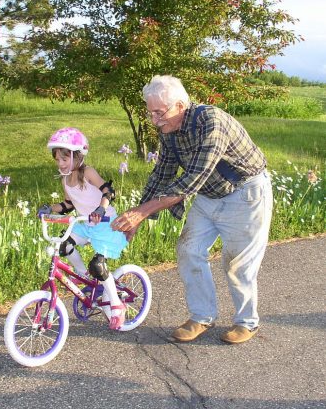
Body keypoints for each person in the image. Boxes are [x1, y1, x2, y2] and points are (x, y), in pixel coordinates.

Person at [111, 75, 273, 343]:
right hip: (209, 195)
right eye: (150, 113)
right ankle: (202, 317)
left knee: (237, 264)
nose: (154, 120)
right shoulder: (168, 131)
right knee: (189, 249)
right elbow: (162, 174)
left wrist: (143, 212)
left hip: (245, 193)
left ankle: (247, 322)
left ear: (180, 105)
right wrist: (139, 215)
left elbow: (192, 179)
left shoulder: (212, 122)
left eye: (159, 113)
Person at [38, 127, 128, 330]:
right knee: (64, 246)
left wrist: (100, 209)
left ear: (77, 156)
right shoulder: (65, 180)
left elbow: (108, 191)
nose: (60, 164)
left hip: (105, 223)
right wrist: (49, 208)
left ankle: (116, 304)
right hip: (85, 225)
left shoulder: (87, 172)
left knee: (98, 265)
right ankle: (83, 274)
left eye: (64, 158)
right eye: (58, 160)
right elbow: (68, 205)